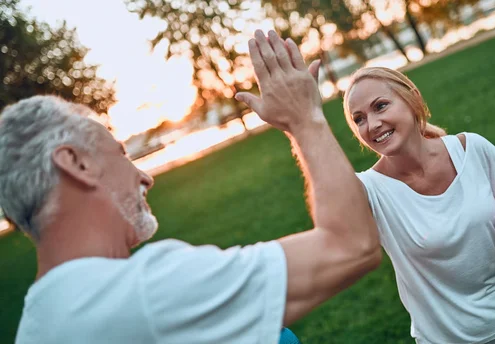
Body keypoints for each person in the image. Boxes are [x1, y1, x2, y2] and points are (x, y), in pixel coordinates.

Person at [1, 30, 381, 344]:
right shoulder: (146, 294)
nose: (144, 177)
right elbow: (351, 246)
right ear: (77, 163)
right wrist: (304, 117)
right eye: (118, 153)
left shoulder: (38, 323)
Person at [342, 67, 495, 344]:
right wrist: (302, 120)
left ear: (412, 98)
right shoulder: (369, 191)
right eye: (359, 119)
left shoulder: (473, 149)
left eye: (380, 106)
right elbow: (327, 198)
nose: (372, 124)